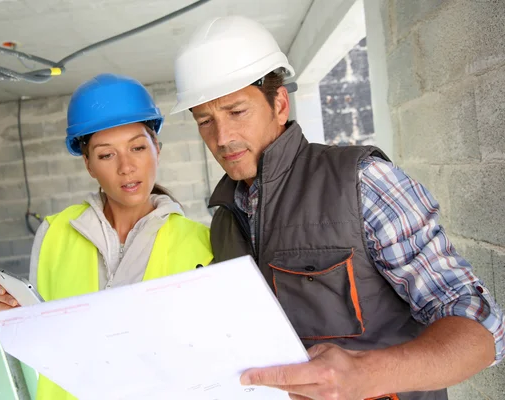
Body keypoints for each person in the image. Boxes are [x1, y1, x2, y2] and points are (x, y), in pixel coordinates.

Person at [170, 16, 504, 400]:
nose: (222, 137)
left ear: (279, 104)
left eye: (236, 112)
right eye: (205, 121)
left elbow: (482, 327)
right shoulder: (225, 217)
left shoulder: (362, 182)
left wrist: (365, 374)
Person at [0, 73, 213, 400]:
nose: (127, 167)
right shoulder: (55, 233)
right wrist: (14, 322)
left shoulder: (202, 243)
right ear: (88, 163)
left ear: (157, 149)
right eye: (107, 154)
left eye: (137, 147)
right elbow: (41, 346)